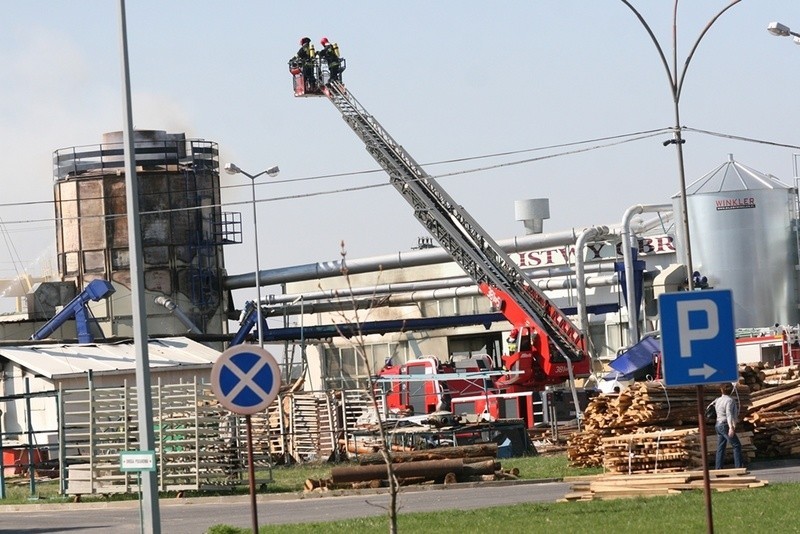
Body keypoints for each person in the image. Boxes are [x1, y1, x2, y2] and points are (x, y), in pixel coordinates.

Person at [712, 382, 744, 469]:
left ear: (721, 390)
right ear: (731, 391)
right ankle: (739, 467)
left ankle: (718, 468)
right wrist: (731, 427)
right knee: (736, 445)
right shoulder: (730, 400)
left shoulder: (717, 400)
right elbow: (729, 414)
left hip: (718, 425)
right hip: (725, 425)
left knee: (721, 447)